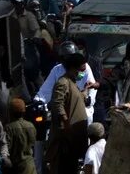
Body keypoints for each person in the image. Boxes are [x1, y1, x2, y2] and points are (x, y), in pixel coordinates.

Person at [48, 44, 90, 174]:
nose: (82, 73)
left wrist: (86, 90)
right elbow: (57, 104)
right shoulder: (63, 83)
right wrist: (66, 123)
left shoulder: (72, 83)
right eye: (81, 70)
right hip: (65, 140)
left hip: (74, 140)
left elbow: (76, 99)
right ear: (73, 69)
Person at [5, 98, 38, 174]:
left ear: (10, 112)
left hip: (16, 167)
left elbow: (7, 148)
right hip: (30, 167)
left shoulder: (9, 128)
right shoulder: (31, 125)